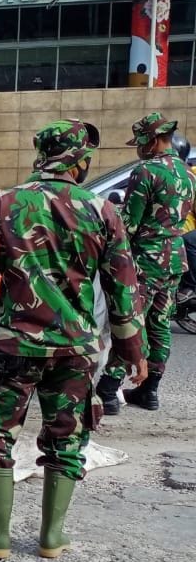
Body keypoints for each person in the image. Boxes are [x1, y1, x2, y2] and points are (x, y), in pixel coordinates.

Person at [0, 120, 144, 562]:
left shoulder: (3, 205)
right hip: (76, 348)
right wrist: (132, 349)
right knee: (68, 437)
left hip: (14, 345)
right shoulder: (103, 210)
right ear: (80, 162)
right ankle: (52, 536)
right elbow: (123, 289)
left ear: (42, 155)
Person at [95, 113, 196, 413]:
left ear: (153, 140)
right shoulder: (187, 173)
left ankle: (109, 391)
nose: (138, 148)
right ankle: (150, 391)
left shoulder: (146, 171)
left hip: (144, 262)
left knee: (129, 323)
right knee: (160, 326)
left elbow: (130, 224)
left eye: (141, 142)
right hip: (174, 260)